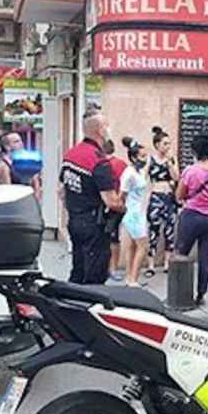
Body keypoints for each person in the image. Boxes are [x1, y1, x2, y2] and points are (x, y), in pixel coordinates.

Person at [60, 113, 123, 284]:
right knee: (95, 274)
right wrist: (123, 207)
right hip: (94, 225)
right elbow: (111, 202)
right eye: (107, 126)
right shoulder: (98, 161)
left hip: (74, 221)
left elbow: (63, 192)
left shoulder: (70, 155)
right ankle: (86, 307)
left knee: (78, 269)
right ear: (101, 131)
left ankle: (69, 305)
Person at [176, 135, 208, 306]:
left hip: (191, 216)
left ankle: (178, 293)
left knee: (181, 255)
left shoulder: (190, 171)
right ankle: (201, 295)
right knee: (205, 258)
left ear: (194, 151)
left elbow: (179, 195)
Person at [146, 129, 180, 277]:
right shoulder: (150, 159)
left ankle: (167, 263)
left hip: (169, 197)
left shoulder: (171, 159)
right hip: (155, 196)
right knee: (153, 230)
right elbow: (144, 176)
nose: (167, 146)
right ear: (157, 144)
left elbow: (176, 177)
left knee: (170, 231)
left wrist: (170, 163)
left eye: (169, 143)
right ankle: (151, 264)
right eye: (165, 143)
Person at [119, 137, 150, 287]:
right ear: (133, 157)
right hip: (133, 213)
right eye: (142, 156)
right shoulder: (129, 173)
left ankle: (129, 277)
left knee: (132, 245)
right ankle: (133, 279)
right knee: (142, 246)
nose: (145, 159)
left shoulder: (139, 172)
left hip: (139, 211)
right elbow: (122, 195)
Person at [103, 139, 129, 282]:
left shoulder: (102, 164)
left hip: (106, 204)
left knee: (107, 237)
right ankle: (112, 268)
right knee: (114, 237)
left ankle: (108, 267)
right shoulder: (121, 164)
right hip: (117, 205)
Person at [0, 130, 40, 195]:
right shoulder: (4, 166)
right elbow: (7, 193)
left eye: (21, 140)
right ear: (7, 147)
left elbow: (36, 186)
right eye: (16, 142)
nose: (21, 143)